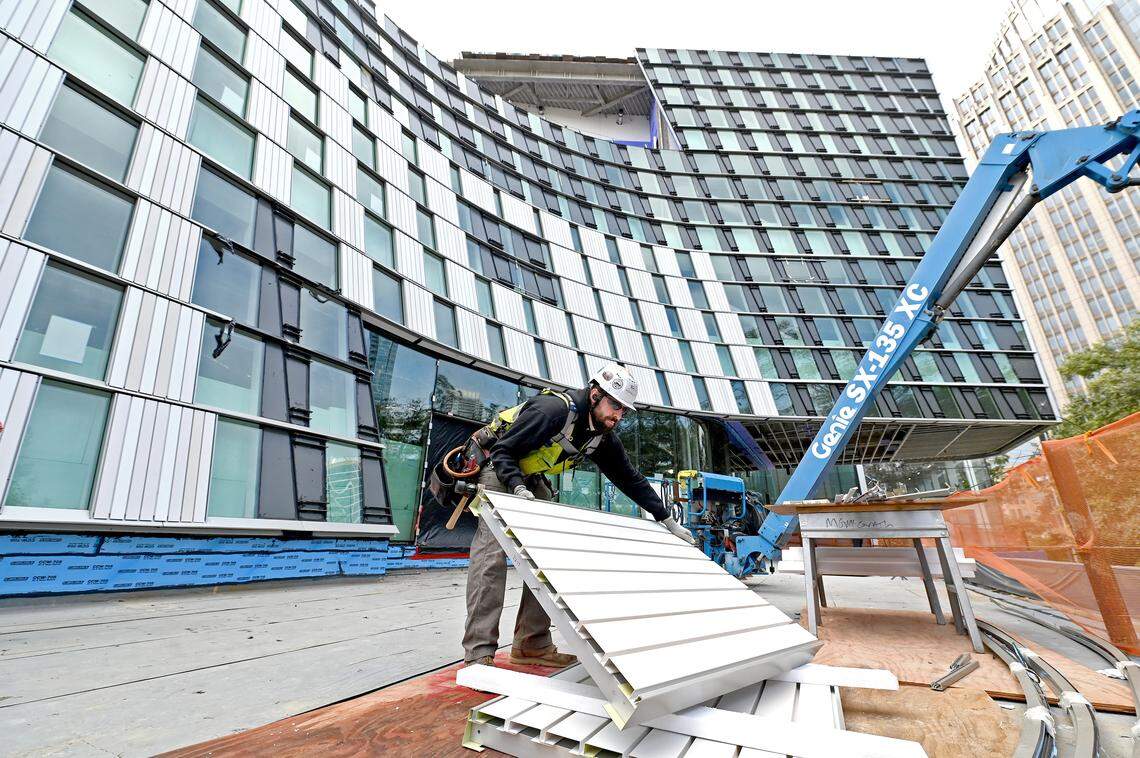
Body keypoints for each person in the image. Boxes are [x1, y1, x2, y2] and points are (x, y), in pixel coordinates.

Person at [461, 362, 696, 667]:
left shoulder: (601, 436)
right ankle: (479, 653)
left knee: (546, 559)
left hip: (529, 479)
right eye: (615, 405)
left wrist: (665, 519)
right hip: (498, 468)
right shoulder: (553, 411)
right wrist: (516, 486)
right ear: (596, 394)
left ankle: (531, 645)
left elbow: (629, 478)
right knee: (491, 557)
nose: (618, 416)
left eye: (623, 410)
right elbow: (504, 451)